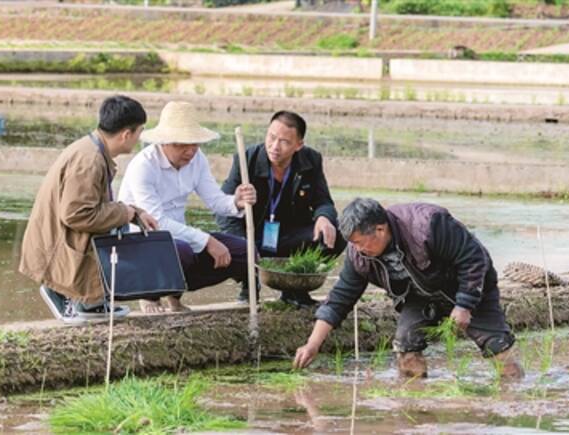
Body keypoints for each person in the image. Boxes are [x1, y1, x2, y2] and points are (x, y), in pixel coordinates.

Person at [293, 198, 524, 379]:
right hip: (419, 297)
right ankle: (415, 405)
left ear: (381, 230)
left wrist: (464, 304)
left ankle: (513, 397)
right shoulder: (359, 256)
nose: (358, 249)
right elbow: (340, 299)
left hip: (469, 286)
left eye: (360, 242)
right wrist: (313, 345)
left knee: (498, 348)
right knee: (406, 345)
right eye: (352, 244)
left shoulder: (428, 224)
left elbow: (473, 259)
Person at [19, 95, 158, 324]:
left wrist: (134, 212)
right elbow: (77, 214)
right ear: (126, 134)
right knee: (117, 221)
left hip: (60, 237)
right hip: (55, 247)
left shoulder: (92, 149)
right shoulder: (90, 160)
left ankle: (90, 300)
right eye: (139, 131)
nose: (138, 138)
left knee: (120, 220)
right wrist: (126, 213)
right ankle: (61, 291)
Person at [118, 101, 256, 313]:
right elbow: (156, 223)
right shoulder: (143, 166)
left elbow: (215, 200)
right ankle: (150, 294)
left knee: (245, 251)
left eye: (195, 144)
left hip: (179, 237)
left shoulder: (197, 159)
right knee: (181, 251)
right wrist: (207, 240)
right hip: (144, 242)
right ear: (164, 142)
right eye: (182, 144)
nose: (190, 151)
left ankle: (174, 293)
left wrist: (236, 201)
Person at [217, 110, 346, 307]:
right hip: (253, 236)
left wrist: (323, 217)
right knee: (228, 243)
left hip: (288, 236)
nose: (275, 146)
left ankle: (295, 289)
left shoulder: (310, 160)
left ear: (298, 145)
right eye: (271, 137)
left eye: (284, 141)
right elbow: (223, 209)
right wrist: (243, 245)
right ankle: (248, 284)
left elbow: (324, 201)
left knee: (338, 232)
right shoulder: (247, 160)